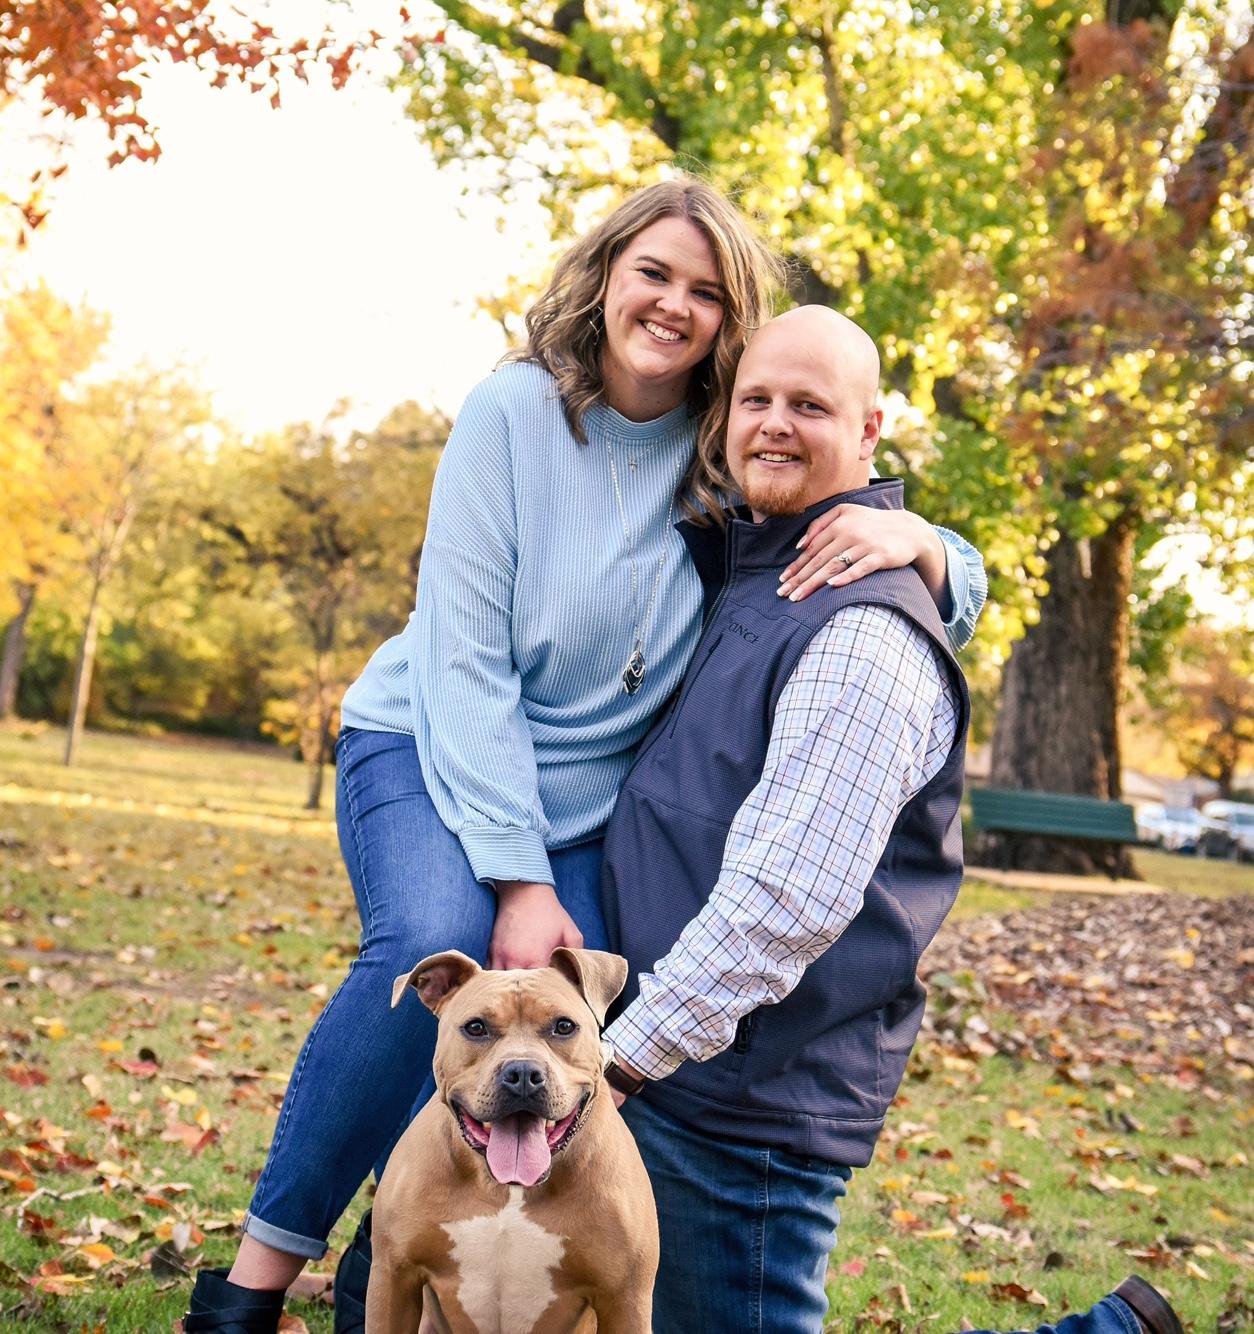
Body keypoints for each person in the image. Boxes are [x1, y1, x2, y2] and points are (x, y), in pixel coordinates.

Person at [181, 179, 988, 1334]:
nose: (672, 304)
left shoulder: (720, 443)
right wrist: (516, 877)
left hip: (589, 791)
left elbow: (840, 509)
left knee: (564, 1010)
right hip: (432, 736)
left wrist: (925, 541)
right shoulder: (511, 411)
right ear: (605, 273)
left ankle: (397, 1269)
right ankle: (248, 1288)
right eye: (651, 272)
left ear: (731, 321)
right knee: (430, 940)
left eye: (707, 292)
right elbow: (464, 661)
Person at [595, 306, 1181, 1334]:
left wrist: (618, 1061)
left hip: (736, 1093)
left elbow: (786, 900)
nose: (774, 423)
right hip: (688, 1070)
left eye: (809, 405)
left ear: (869, 431)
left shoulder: (860, 632)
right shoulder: (763, 564)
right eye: (756, 399)